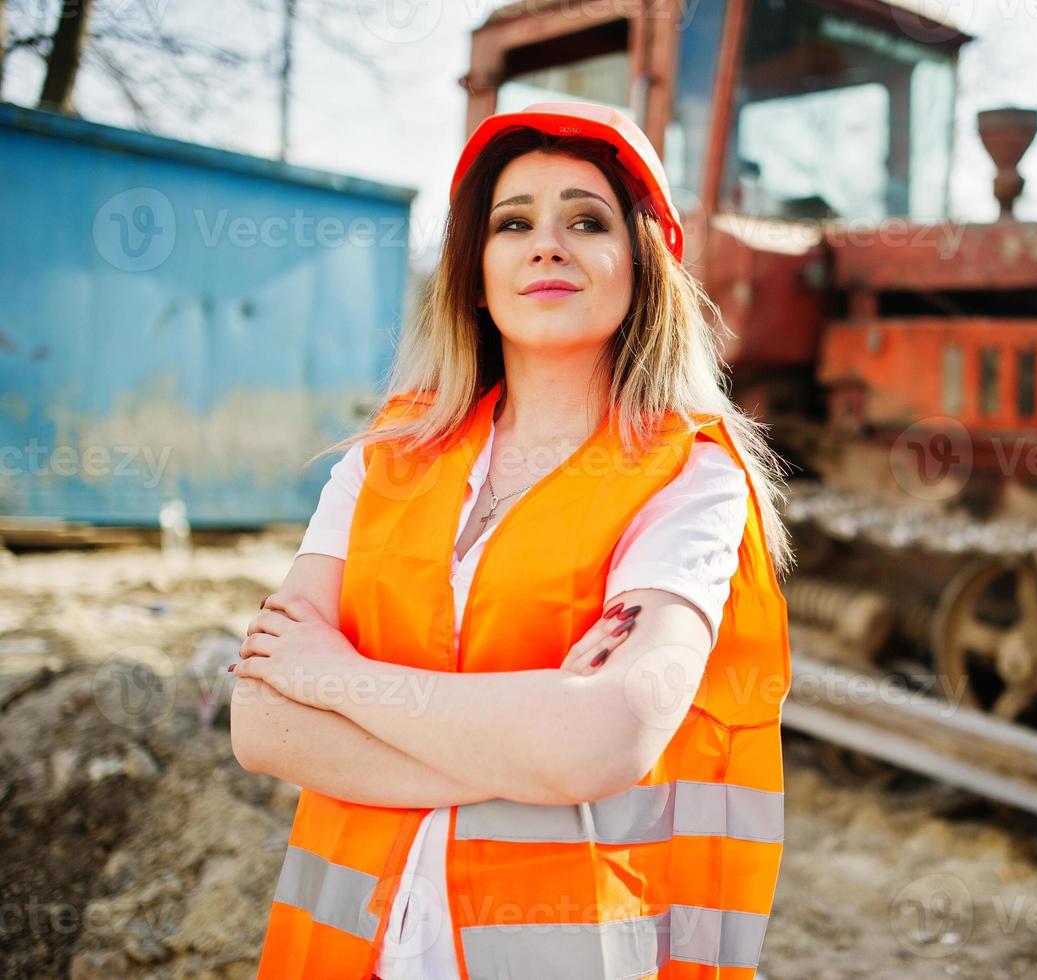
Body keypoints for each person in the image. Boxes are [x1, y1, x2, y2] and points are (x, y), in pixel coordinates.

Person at [229, 101, 794, 979]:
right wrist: (525, 746)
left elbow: (606, 738)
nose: (547, 243)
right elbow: (262, 722)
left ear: (642, 265)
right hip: (349, 951)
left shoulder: (688, 479)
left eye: (587, 220)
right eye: (513, 222)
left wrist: (331, 676)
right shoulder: (389, 458)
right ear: (476, 272)